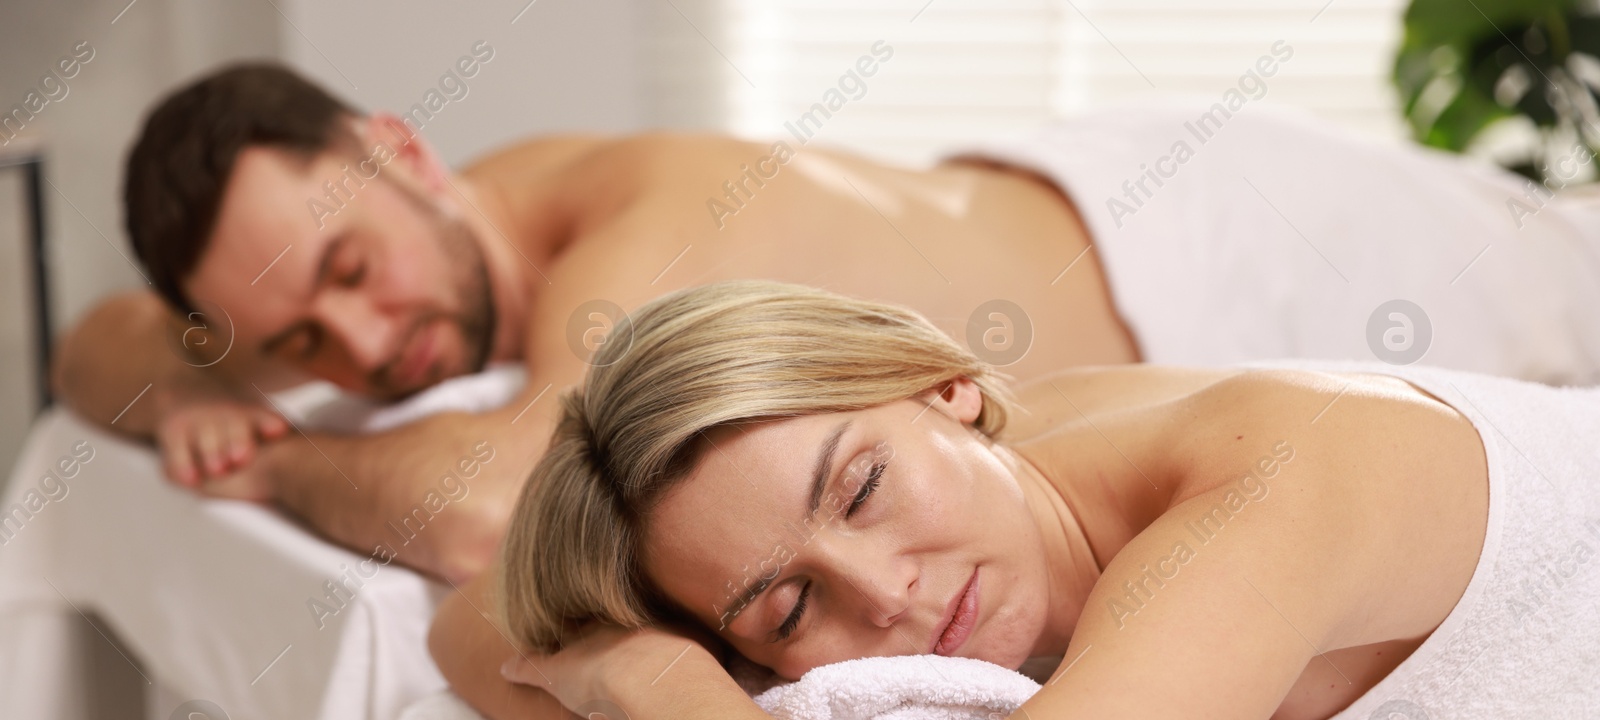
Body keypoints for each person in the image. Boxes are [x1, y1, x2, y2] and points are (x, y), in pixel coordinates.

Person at [430, 280, 1600, 720]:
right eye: (786, 611)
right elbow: (465, 617)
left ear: (944, 390)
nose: (883, 596)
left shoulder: (1264, 493)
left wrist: (651, 680)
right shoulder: (1010, 464)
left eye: (864, 489)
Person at [51, 63, 1600, 580]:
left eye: (347, 275)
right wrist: (194, 374)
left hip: (1226, 246)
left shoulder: (623, 231)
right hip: (1073, 206)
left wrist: (277, 459)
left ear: (401, 148)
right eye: (299, 346)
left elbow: (479, 508)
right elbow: (93, 341)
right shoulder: (386, 264)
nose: (364, 347)